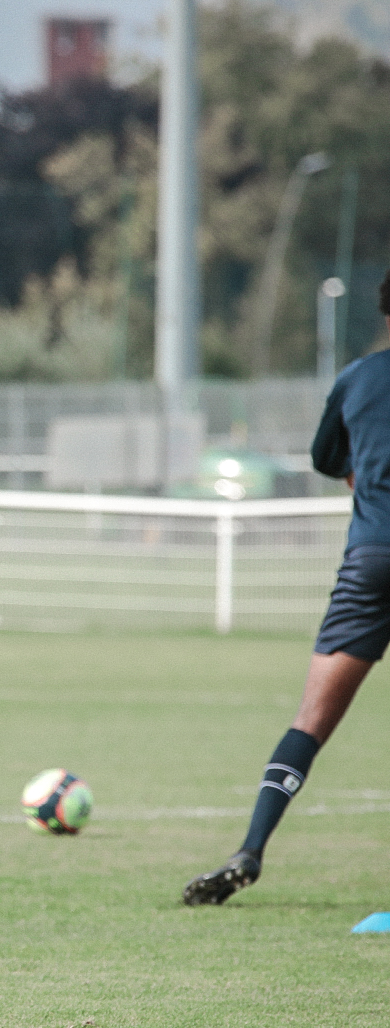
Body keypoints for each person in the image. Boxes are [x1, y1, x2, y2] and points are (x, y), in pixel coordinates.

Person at [184, 270, 390, 905]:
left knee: (311, 721)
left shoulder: (358, 378)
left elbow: (328, 459)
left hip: (371, 562)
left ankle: (251, 848)